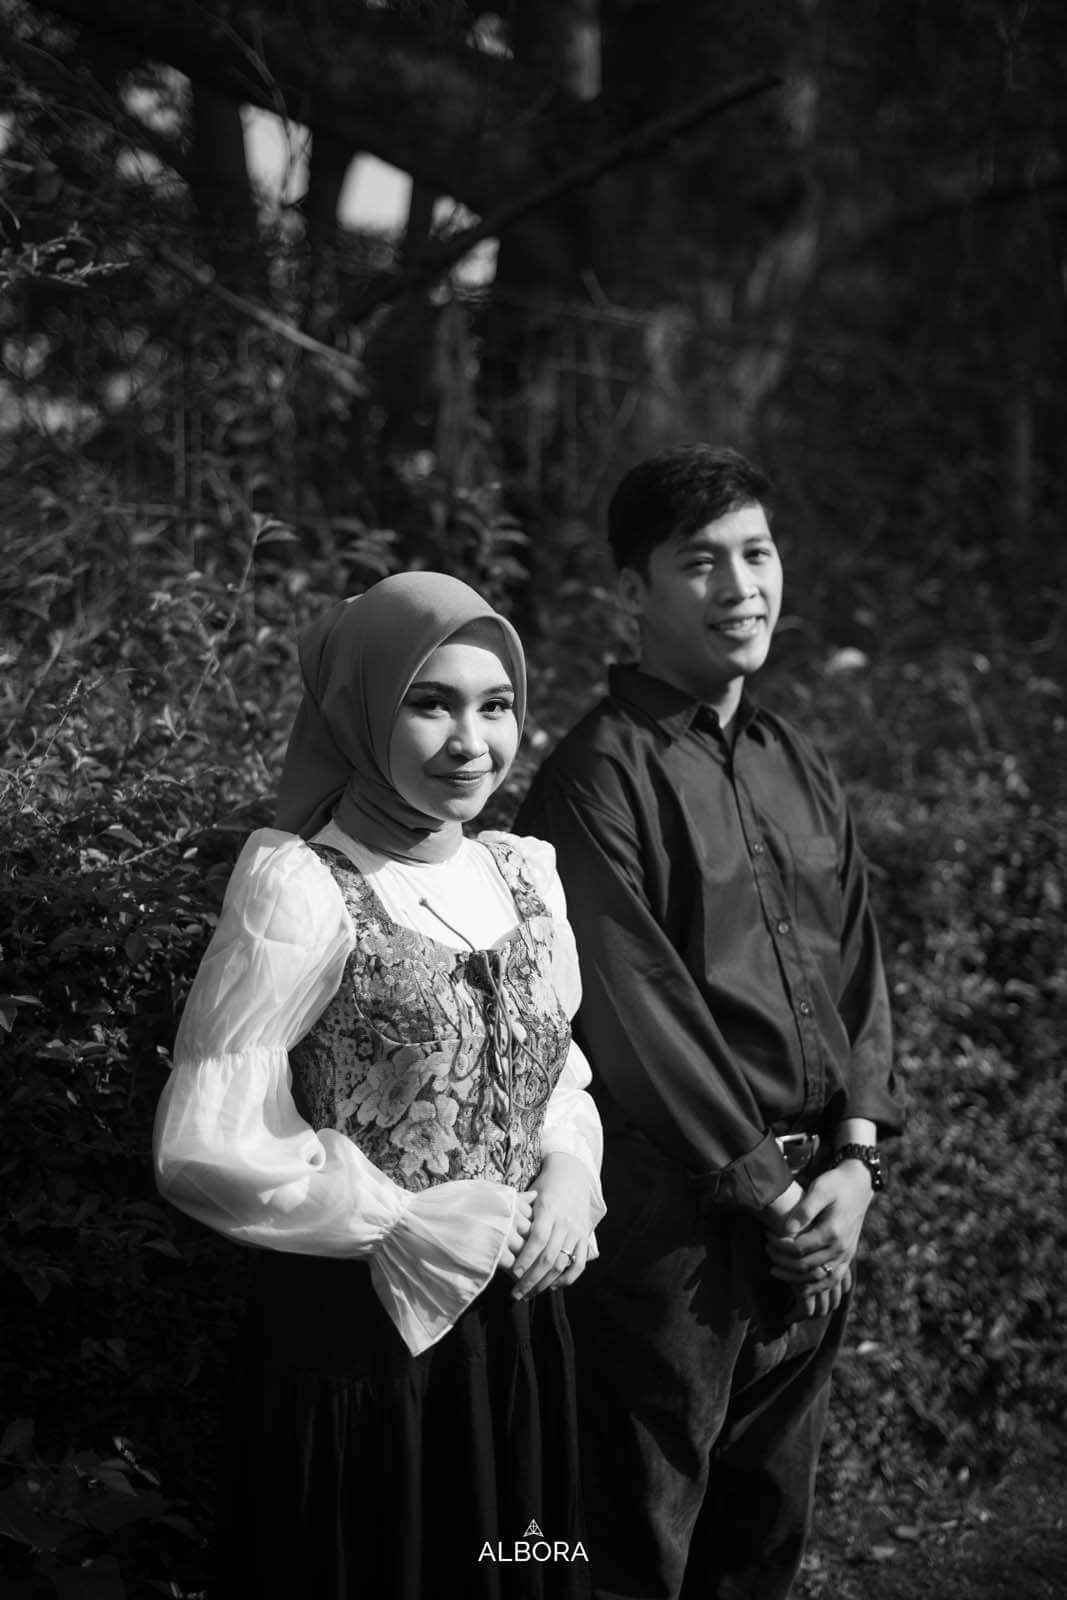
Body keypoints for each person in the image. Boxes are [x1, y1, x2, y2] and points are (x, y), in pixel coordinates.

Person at [153, 571, 604, 1600]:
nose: (470, 742)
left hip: (514, 1332)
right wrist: (398, 1221)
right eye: (429, 703)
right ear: (359, 708)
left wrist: (571, 1172)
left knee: (512, 1559)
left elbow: (553, 1073)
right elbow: (205, 1139)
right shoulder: (301, 888)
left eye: (495, 706)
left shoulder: (523, 873)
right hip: (358, 1344)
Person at [515, 445, 904, 1600]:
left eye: (756, 552)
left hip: (812, 1208)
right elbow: (635, 1012)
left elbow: (859, 970)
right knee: (630, 1544)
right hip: (671, 1232)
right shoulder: (593, 776)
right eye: (700, 561)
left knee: (760, 1539)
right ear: (630, 589)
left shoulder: (797, 762)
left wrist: (855, 1163)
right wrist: (774, 1196)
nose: (741, 585)